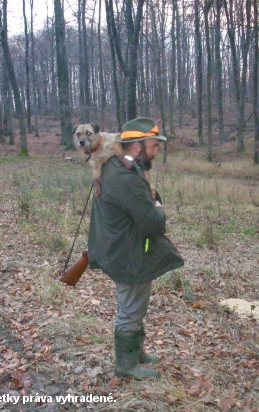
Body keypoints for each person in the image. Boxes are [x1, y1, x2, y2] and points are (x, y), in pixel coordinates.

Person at [88, 117, 184, 379]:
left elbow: (145, 203)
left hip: (125, 249)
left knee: (135, 305)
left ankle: (136, 352)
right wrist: (159, 208)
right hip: (128, 254)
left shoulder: (121, 167)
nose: (156, 151)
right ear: (134, 147)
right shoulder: (123, 177)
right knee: (131, 308)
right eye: (153, 145)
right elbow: (154, 224)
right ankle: (127, 366)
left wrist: (152, 202)